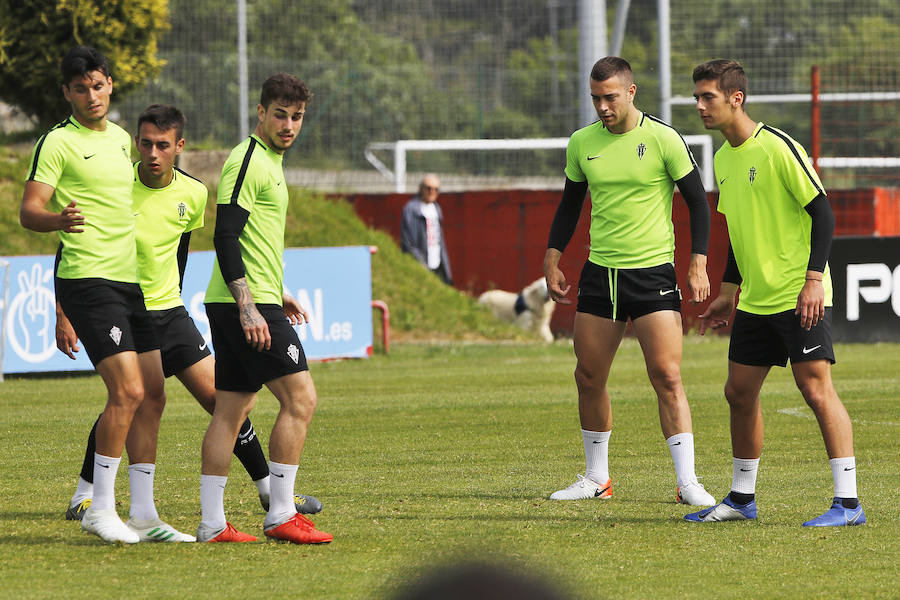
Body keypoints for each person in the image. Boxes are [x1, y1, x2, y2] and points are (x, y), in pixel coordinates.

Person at [57, 104, 323, 531]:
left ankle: (269, 490)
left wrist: (175, 301)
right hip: (123, 308)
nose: (153, 153)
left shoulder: (194, 193)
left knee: (224, 401)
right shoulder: (115, 186)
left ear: (179, 147)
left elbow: (178, 252)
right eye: (145, 143)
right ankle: (85, 495)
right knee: (130, 396)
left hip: (170, 313)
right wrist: (63, 312)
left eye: (163, 145)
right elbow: (75, 247)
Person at [19, 46, 189, 543]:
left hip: (129, 282)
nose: (90, 96)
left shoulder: (121, 140)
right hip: (88, 280)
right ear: (66, 93)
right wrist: (58, 219)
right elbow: (29, 211)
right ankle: (97, 507)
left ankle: (143, 513)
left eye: (97, 85)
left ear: (109, 85)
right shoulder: (57, 143)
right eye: (79, 89)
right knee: (128, 392)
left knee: (153, 394)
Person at [685, 60, 865, 526]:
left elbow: (823, 214)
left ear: (735, 98)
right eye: (697, 98)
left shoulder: (778, 147)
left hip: (797, 291)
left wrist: (812, 280)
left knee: (815, 388)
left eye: (708, 97)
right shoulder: (723, 158)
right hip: (757, 298)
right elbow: (738, 232)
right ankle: (742, 499)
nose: (700, 106)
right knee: (738, 393)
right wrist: (728, 292)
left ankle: (848, 504)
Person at [543, 56, 716, 506]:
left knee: (667, 376)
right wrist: (553, 257)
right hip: (601, 275)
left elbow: (699, 203)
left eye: (610, 97)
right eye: (596, 98)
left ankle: (687, 482)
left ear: (631, 91)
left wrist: (698, 263)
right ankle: (596, 478)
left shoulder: (663, 138)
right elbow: (570, 205)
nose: (602, 106)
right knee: (587, 375)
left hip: (653, 273)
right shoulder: (582, 143)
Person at [196, 73, 332, 544]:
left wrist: (278, 290)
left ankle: (212, 523)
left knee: (231, 411)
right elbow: (225, 235)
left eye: (296, 117)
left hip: (248, 299)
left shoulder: (270, 161)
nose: (289, 125)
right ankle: (280, 514)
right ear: (260, 113)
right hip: (243, 306)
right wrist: (251, 307)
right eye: (280, 114)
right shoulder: (250, 159)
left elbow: (255, 243)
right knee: (301, 399)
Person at [401, 174, 453, 284]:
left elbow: (440, 240)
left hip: (437, 263)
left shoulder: (436, 208)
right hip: (422, 264)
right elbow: (407, 242)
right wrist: (420, 262)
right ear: (421, 189)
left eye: (436, 189)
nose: (432, 192)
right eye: (429, 188)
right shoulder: (411, 210)